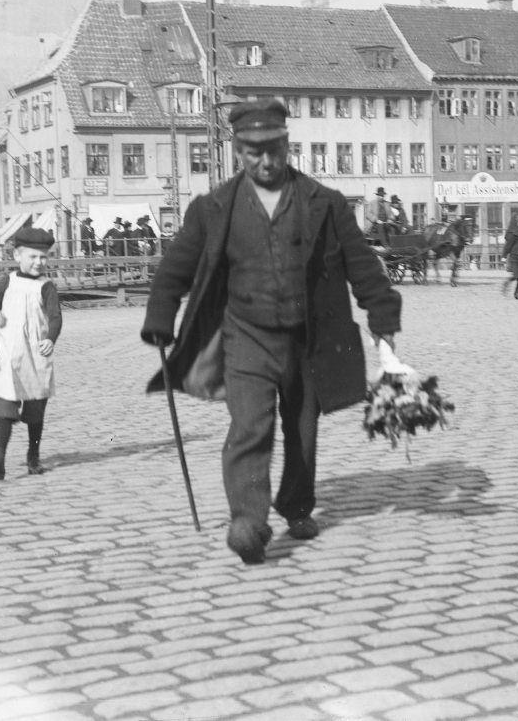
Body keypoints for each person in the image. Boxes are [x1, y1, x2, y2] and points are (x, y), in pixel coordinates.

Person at [141, 98, 401, 565]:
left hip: (307, 339)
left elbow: (361, 264)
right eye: (252, 152)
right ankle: (248, 521)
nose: (265, 161)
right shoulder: (214, 207)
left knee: (302, 429)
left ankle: (296, 505)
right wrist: (161, 314)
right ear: (238, 152)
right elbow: (177, 265)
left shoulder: (324, 203)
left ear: (286, 144)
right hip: (246, 337)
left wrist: (382, 316)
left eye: (273, 149)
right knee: (250, 427)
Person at [0, 227, 62, 480]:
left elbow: (55, 317)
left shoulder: (46, 286)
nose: (39, 262)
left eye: (43, 257)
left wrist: (50, 338)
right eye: (33, 257)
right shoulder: (8, 281)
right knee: (4, 407)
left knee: (35, 410)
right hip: (9, 354)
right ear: (18, 255)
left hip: (35, 356)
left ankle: (33, 456)